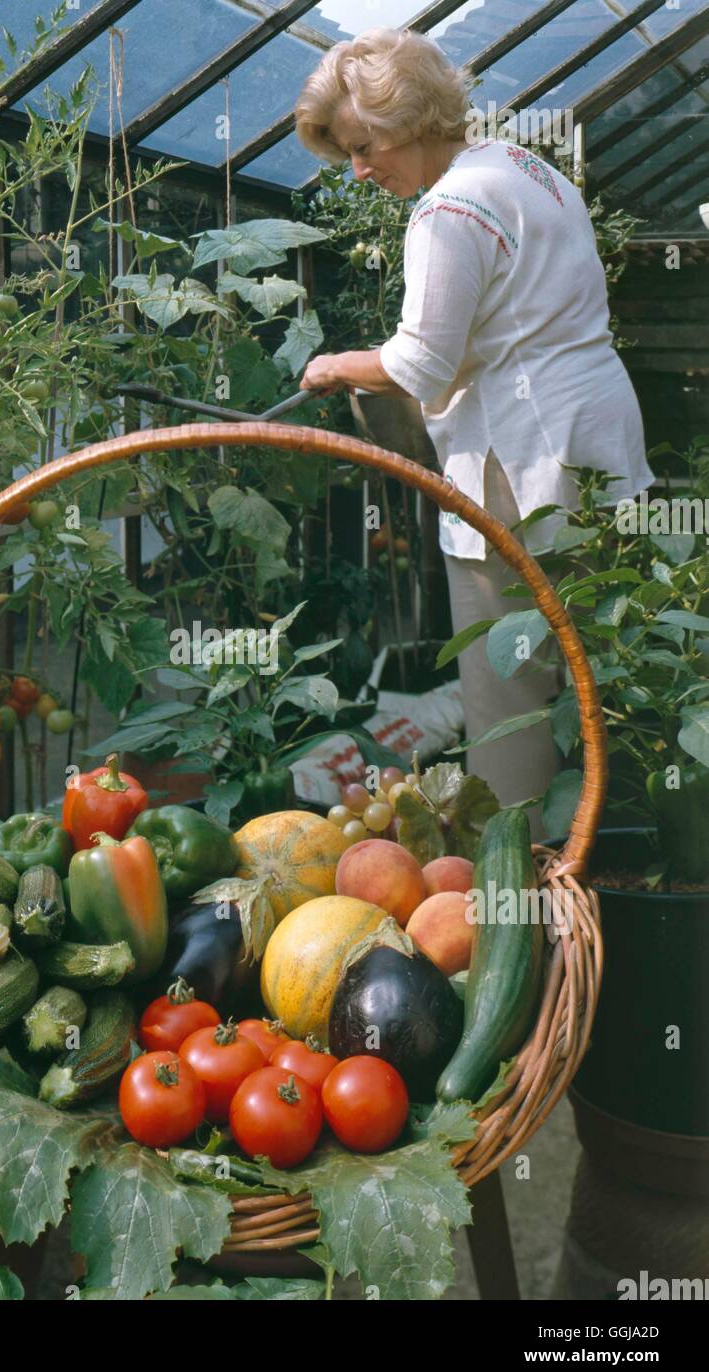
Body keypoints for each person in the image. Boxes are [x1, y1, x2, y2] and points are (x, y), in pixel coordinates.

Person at [293, 27, 654, 826]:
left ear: (413, 116)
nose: (359, 169)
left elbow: (420, 367)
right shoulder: (525, 169)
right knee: (601, 661)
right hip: (592, 442)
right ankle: (611, 845)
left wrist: (335, 365)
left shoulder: (447, 210)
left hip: (521, 461)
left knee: (510, 681)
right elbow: (509, 325)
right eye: (347, 152)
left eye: (365, 145)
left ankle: (516, 868)